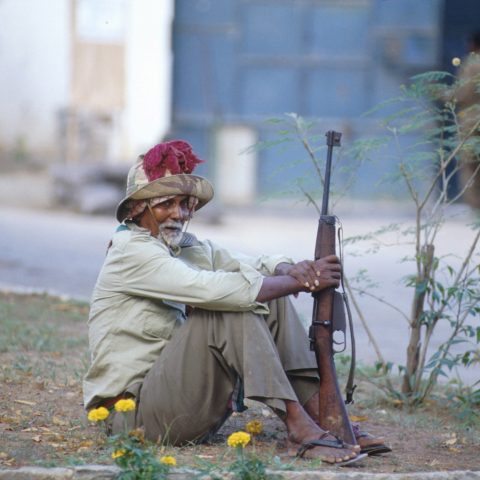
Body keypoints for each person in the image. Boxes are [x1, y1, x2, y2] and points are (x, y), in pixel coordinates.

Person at [83, 140, 386, 465]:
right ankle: (298, 428)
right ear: (137, 209)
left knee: (273, 299)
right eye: (165, 204)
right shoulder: (131, 250)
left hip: (183, 407)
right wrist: (300, 282)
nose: (178, 214)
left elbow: (248, 264)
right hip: (135, 418)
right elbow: (211, 288)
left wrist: (290, 270)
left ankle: (324, 419)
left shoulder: (180, 245)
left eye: (185, 204)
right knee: (229, 305)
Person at [454, 31, 480, 209]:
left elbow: (461, 94)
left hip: (472, 123)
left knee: (469, 167)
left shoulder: (472, 64)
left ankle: (476, 210)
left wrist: (437, 93)